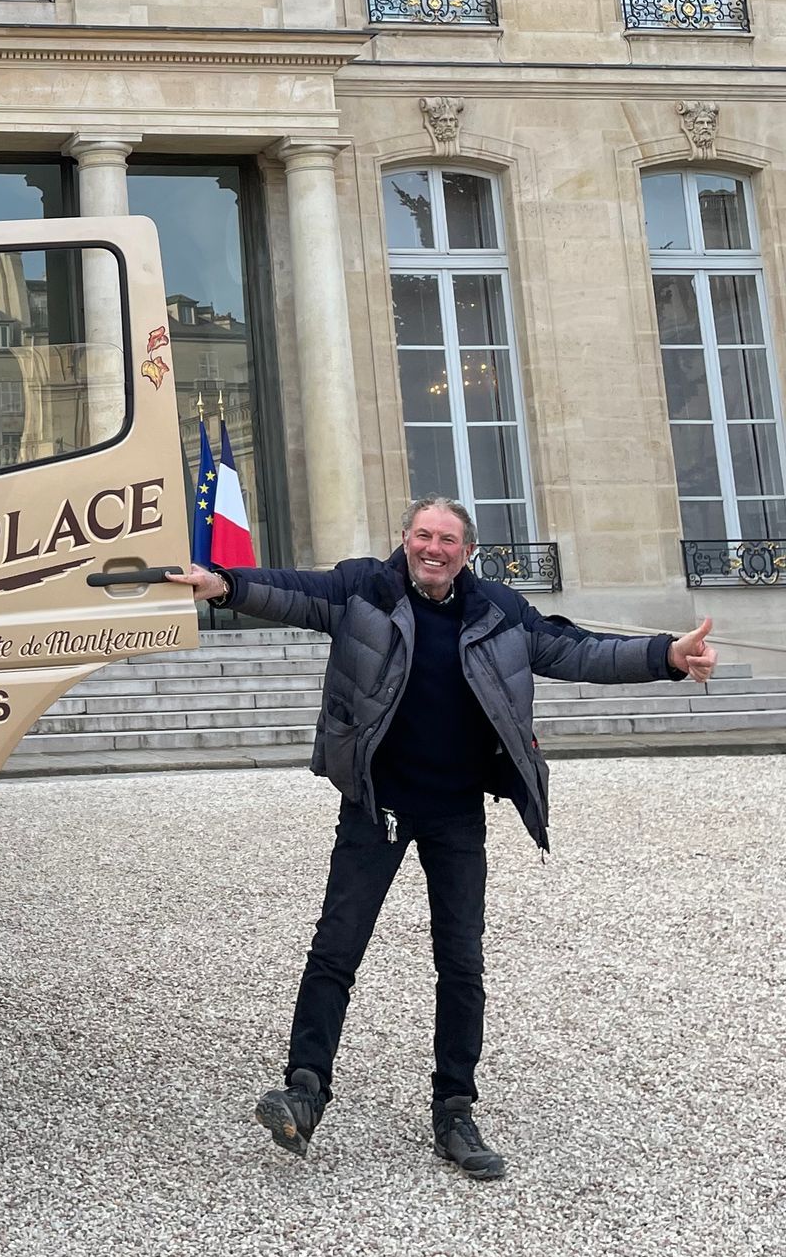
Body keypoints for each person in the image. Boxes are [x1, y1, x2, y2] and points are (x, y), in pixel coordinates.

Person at [172, 498, 715, 1181]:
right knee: (337, 948)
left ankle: (454, 1110)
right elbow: (295, 592)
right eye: (424, 535)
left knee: (461, 962)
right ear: (405, 540)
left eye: (449, 539)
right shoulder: (364, 590)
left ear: (466, 551)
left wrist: (665, 656)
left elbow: (577, 651)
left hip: (456, 811)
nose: (434, 548)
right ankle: (304, 1091)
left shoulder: (497, 611)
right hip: (379, 804)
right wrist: (225, 583)